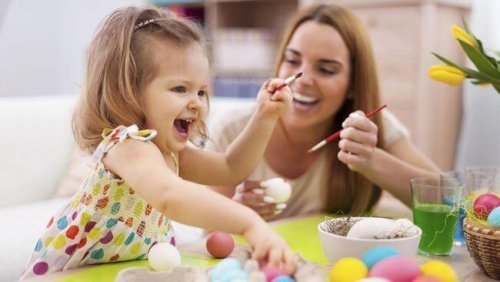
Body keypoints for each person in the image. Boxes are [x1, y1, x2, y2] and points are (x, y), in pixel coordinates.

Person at [21, 6, 296, 279]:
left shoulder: (171, 153)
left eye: (201, 91)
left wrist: (264, 117)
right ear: (129, 91)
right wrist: (250, 224)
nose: (197, 102)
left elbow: (231, 167)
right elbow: (169, 196)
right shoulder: (127, 147)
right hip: (70, 275)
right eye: (180, 89)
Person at [210, 4, 440, 220]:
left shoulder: (369, 127)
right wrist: (236, 216)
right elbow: (209, 234)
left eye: (326, 69)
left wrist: (371, 160)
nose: (303, 79)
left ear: (353, 84)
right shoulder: (233, 128)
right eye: (292, 60)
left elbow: (448, 200)